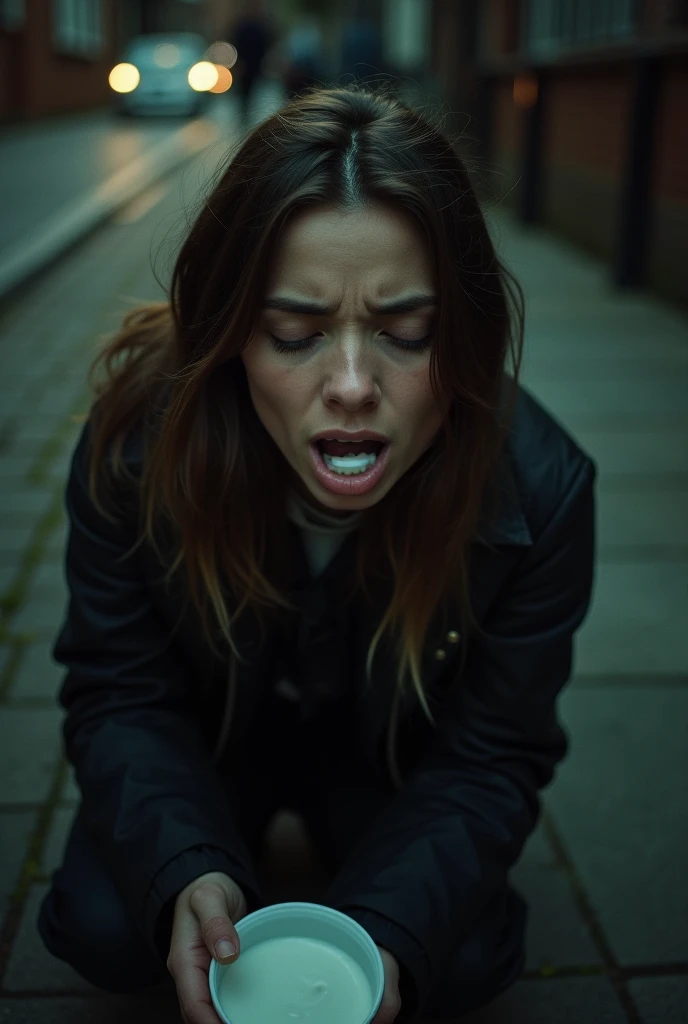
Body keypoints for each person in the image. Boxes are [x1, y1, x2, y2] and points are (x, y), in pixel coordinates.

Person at [37, 83, 596, 1024]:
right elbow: (118, 689)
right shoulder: (135, 452)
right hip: (215, 748)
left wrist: (389, 924)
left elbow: (496, 752)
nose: (349, 384)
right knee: (101, 921)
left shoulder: (539, 490)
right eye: (295, 333)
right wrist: (185, 872)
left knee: (457, 961)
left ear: (462, 330)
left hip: (387, 765)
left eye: (405, 332)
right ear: (230, 336)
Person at [227, 0, 274, 127]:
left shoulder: (255, 26)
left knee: (249, 95)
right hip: (248, 67)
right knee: (245, 95)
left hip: (253, 67)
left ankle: (246, 118)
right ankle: (244, 118)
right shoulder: (247, 27)